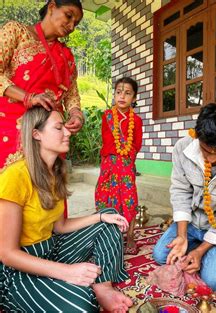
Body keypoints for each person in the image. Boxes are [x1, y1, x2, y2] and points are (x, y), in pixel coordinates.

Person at [0, 107, 133, 312]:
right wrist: (66, 272)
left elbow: (60, 226)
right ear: (36, 134)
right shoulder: (15, 176)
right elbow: (7, 254)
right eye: (58, 127)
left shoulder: (56, 171)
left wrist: (100, 217)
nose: (68, 132)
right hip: (19, 267)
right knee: (80, 304)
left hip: (51, 248)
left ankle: (103, 287)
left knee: (109, 217)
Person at [153, 103, 216, 292]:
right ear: (196, 137)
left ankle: (207, 249)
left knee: (214, 280)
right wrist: (182, 236)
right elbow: (180, 191)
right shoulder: (182, 148)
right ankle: (193, 244)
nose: (212, 160)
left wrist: (199, 251)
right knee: (159, 255)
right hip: (191, 224)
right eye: (206, 151)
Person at [0, 0, 85, 169]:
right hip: (13, 128)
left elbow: (71, 93)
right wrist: (28, 98)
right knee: (13, 187)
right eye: (68, 16)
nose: (71, 26)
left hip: (50, 135)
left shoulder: (66, 55)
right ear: (52, 7)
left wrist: (76, 115)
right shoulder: (16, 31)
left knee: (48, 188)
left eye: (76, 23)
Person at [95, 77, 143, 225]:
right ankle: (105, 226)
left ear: (134, 97)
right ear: (114, 95)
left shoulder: (136, 120)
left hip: (126, 164)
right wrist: (112, 159)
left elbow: (137, 144)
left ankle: (130, 233)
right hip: (109, 165)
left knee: (129, 198)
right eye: (118, 92)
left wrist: (126, 159)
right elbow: (106, 141)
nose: (122, 96)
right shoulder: (107, 116)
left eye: (127, 93)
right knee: (105, 194)